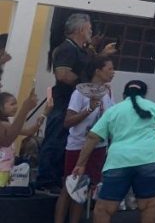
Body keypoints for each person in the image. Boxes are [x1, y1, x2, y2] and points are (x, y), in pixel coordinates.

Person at [71, 79, 155, 223]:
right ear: (144, 94)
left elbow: (93, 136)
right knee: (149, 206)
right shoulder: (154, 108)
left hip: (118, 161)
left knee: (103, 209)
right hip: (149, 160)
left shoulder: (114, 110)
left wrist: (80, 164)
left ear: (124, 94)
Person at [38, 13, 115, 192]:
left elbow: (88, 68)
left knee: (64, 141)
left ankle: (58, 178)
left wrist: (102, 54)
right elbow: (62, 74)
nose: (91, 32)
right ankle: (46, 180)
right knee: (55, 140)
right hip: (63, 101)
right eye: (89, 29)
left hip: (73, 101)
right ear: (80, 29)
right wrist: (84, 86)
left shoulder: (81, 50)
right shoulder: (67, 49)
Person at [50, 55, 115, 223]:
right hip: (78, 145)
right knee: (68, 188)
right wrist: (88, 109)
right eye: (109, 68)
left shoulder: (108, 92)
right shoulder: (80, 92)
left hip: (98, 145)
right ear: (97, 70)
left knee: (82, 188)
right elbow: (68, 122)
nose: (113, 72)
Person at [1, 87, 43, 187]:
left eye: (16, 104)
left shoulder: (9, 122)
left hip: (7, 166)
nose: (16, 107)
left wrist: (44, 115)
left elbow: (29, 131)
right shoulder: (4, 124)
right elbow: (7, 141)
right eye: (12, 104)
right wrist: (25, 109)